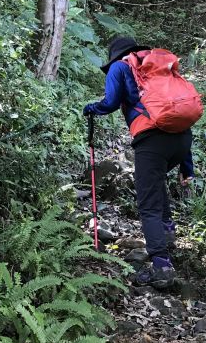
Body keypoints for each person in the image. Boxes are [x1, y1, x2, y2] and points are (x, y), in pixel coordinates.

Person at [83, 36, 195, 288]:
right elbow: (177, 113)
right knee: (156, 183)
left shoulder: (119, 67)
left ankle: (161, 266)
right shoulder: (158, 68)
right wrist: (187, 165)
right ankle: (166, 237)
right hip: (182, 140)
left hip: (151, 142)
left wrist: (91, 108)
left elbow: (110, 102)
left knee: (148, 205)